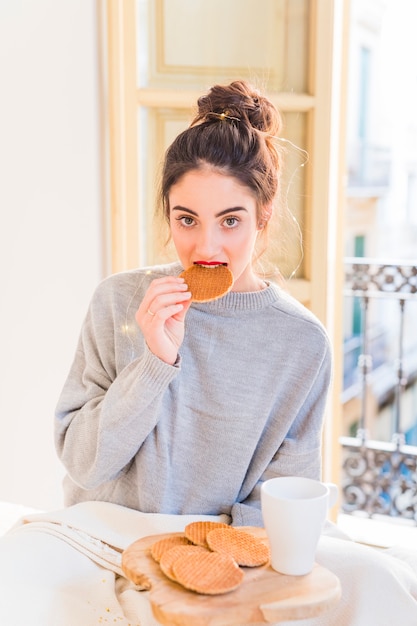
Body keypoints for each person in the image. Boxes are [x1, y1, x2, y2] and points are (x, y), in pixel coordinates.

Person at [1, 80, 417, 626]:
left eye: (231, 220)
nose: (206, 247)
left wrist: (204, 568)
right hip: (101, 531)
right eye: (187, 219)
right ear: (168, 215)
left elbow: (279, 501)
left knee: (383, 586)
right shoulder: (120, 302)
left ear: (264, 215)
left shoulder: (301, 342)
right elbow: (84, 463)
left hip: (228, 549)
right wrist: (154, 363)